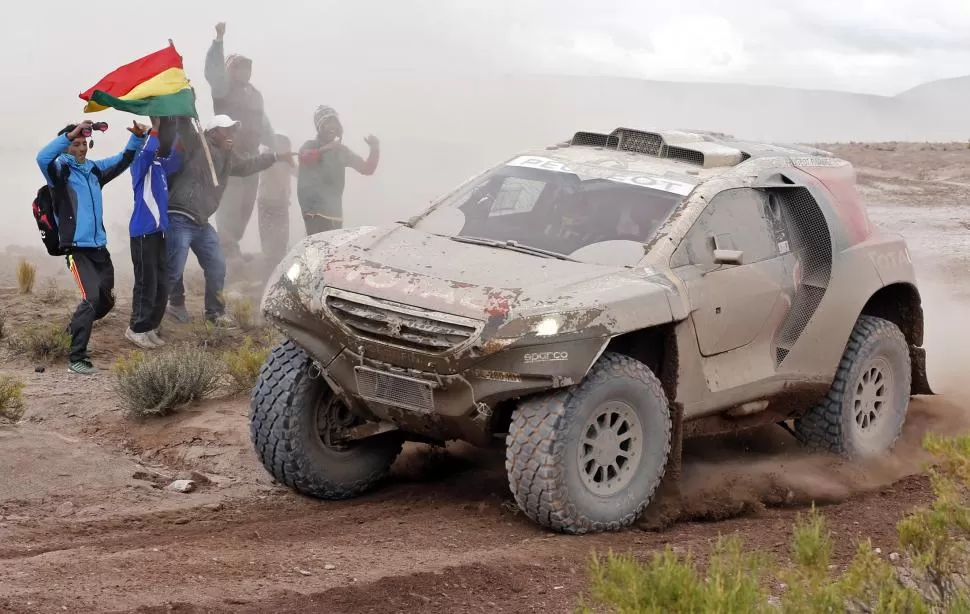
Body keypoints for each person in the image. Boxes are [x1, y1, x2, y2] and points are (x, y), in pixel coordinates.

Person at [36, 119, 149, 375]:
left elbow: (123, 159)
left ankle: (71, 333)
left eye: (84, 143)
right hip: (76, 250)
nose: (82, 148)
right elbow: (42, 158)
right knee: (90, 299)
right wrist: (69, 134)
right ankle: (76, 358)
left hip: (99, 248)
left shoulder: (94, 170)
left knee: (106, 302)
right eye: (76, 144)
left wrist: (138, 138)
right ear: (66, 147)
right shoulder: (59, 173)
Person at [165, 114, 294, 326]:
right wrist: (186, 101)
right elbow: (185, 125)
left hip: (201, 220)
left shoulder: (227, 156)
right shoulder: (197, 144)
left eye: (234, 130)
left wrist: (275, 157)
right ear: (212, 132)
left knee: (217, 265)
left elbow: (248, 165)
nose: (232, 133)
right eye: (227, 129)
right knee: (174, 268)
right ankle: (165, 309)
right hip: (180, 214)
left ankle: (214, 313)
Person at [204, 21, 275, 262]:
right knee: (229, 206)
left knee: (245, 208)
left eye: (248, 67)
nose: (245, 71)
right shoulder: (223, 89)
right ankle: (227, 253)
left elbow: (263, 124)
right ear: (231, 69)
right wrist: (218, 41)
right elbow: (213, 73)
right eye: (240, 67)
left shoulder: (255, 94)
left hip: (252, 157)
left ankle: (232, 246)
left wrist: (274, 145)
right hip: (229, 154)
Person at [126, 116, 180, 350]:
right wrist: (154, 129)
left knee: (161, 283)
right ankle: (136, 329)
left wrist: (181, 127)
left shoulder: (159, 166)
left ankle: (149, 327)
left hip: (159, 233)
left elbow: (177, 159)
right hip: (142, 233)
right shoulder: (139, 163)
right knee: (146, 283)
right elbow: (148, 151)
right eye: (153, 141)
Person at [297, 105, 380, 236]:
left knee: (332, 253)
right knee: (318, 250)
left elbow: (367, 169)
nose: (332, 126)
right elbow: (305, 158)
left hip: (335, 214)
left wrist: (375, 148)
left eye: (335, 122)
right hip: (313, 212)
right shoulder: (310, 145)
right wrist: (326, 148)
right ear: (319, 127)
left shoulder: (341, 151)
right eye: (327, 122)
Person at [256, 133, 297, 267]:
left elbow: (299, 174)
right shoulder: (267, 157)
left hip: (280, 204)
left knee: (281, 238)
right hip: (266, 203)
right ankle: (269, 269)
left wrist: (290, 162)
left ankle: (277, 266)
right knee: (268, 239)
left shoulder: (286, 160)